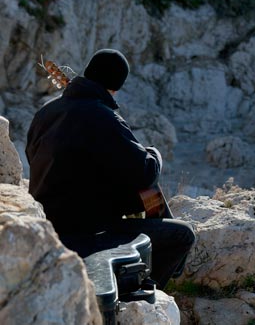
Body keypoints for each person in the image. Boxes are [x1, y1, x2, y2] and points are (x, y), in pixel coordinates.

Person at [25, 48, 195, 288]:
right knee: (182, 234)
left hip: (48, 224)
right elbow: (145, 172)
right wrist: (154, 153)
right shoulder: (103, 117)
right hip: (85, 233)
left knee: (143, 192)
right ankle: (141, 295)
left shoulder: (43, 114)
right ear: (115, 87)